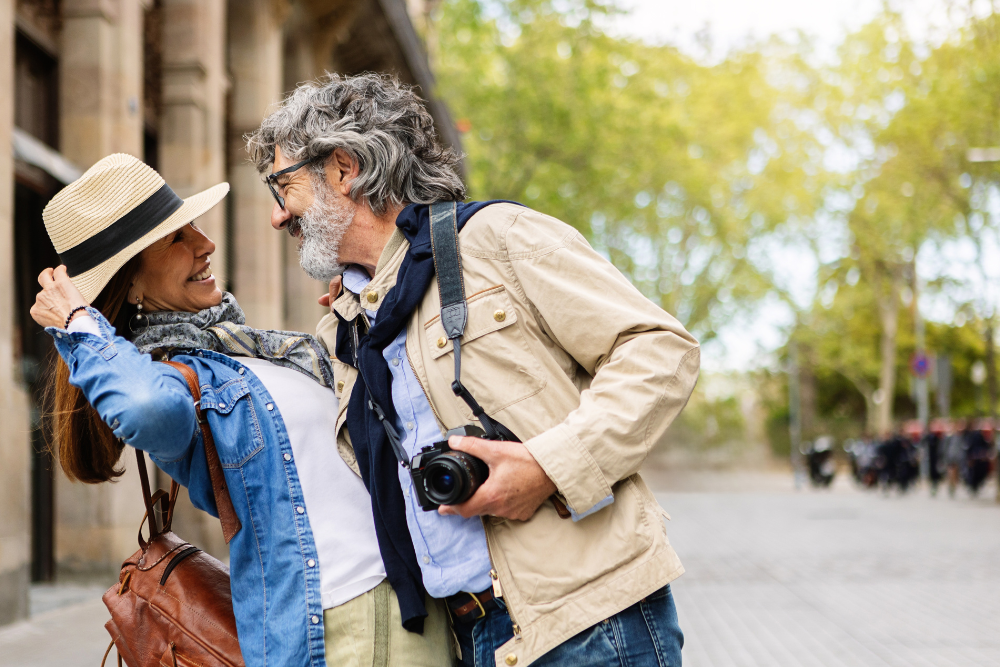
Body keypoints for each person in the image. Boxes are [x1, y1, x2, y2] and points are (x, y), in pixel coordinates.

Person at [247, 73, 700, 667]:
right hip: (473, 636)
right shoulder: (347, 322)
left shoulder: (494, 238)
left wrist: (547, 466)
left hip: (591, 623)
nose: (278, 218)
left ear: (341, 168)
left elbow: (659, 348)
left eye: (283, 186)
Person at [30, 154, 451, 667]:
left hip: (411, 597)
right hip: (346, 625)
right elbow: (146, 409)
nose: (206, 244)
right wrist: (79, 324)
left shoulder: (248, 351)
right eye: (177, 239)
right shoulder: (172, 378)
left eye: (195, 228)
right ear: (132, 285)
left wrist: (359, 316)